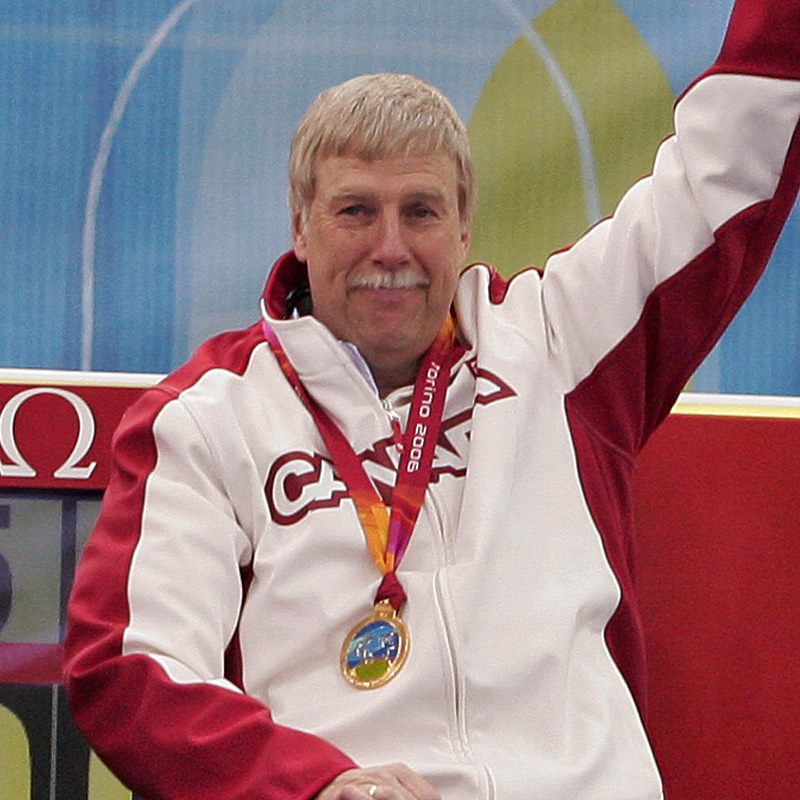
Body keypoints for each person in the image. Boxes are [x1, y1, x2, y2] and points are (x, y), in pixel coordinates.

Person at [64, 1, 800, 798]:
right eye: (355, 211)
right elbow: (134, 667)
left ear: (462, 230)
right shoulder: (209, 420)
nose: (390, 247)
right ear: (300, 227)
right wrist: (314, 787)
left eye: (421, 211)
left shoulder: (561, 343)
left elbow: (734, 156)